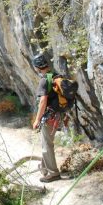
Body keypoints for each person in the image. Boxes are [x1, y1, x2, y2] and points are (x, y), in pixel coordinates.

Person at [31, 53, 62, 183]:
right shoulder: (57, 75)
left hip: (49, 117)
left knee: (46, 145)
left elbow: (43, 101)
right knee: (46, 142)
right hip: (58, 114)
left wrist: (37, 120)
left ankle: (53, 173)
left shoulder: (44, 80)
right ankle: (45, 168)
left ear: (37, 67)